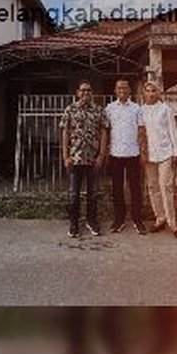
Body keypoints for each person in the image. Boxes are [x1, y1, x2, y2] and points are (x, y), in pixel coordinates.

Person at [60, 80, 108, 238]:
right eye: (83, 90)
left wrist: (101, 155)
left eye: (88, 90)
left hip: (93, 159)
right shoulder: (70, 109)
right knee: (73, 194)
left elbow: (103, 132)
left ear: (92, 93)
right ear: (77, 92)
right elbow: (65, 132)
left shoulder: (98, 110)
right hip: (75, 158)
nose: (86, 93)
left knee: (92, 193)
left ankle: (91, 221)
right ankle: (74, 223)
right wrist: (66, 156)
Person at [141, 80, 177, 239]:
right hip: (149, 154)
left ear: (158, 93)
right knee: (152, 187)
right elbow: (141, 132)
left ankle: (173, 223)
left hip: (166, 152)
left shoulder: (165, 109)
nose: (151, 94)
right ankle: (160, 218)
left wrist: (176, 152)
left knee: (165, 187)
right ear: (144, 93)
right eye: (148, 91)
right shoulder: (141, 110)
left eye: (153, 91)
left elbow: (172, 131)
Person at [105, 79, 147, 235]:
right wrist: (105, 151)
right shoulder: (109, 108)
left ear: (129, 90)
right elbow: (106, 131)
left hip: (133, 154)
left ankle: (137, 219)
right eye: (119, 88)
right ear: (115, 91)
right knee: (117, 189)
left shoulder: (136, 108)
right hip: (115, 154)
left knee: (135, 188)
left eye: (125, 87)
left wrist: (142, 151)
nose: (122, 90)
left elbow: (141, 131)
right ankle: (119, 220)